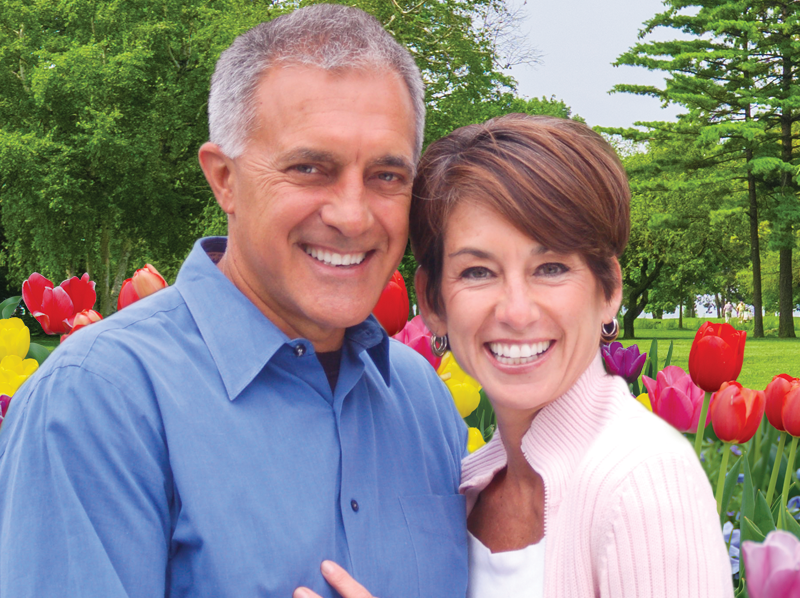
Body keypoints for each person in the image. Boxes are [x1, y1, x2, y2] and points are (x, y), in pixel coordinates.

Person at [0, 6, 468, 598]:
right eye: (309, 168)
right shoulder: (100, 400)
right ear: (224, 178)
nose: (352, 215)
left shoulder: (422, 401)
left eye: (386, 176)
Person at [301, 115, 733, 597]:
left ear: (608, 289)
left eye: (550, 268)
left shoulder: (642, 480)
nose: (517, 311)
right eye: (478, 272)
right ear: (433, 302)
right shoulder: (473, 482)